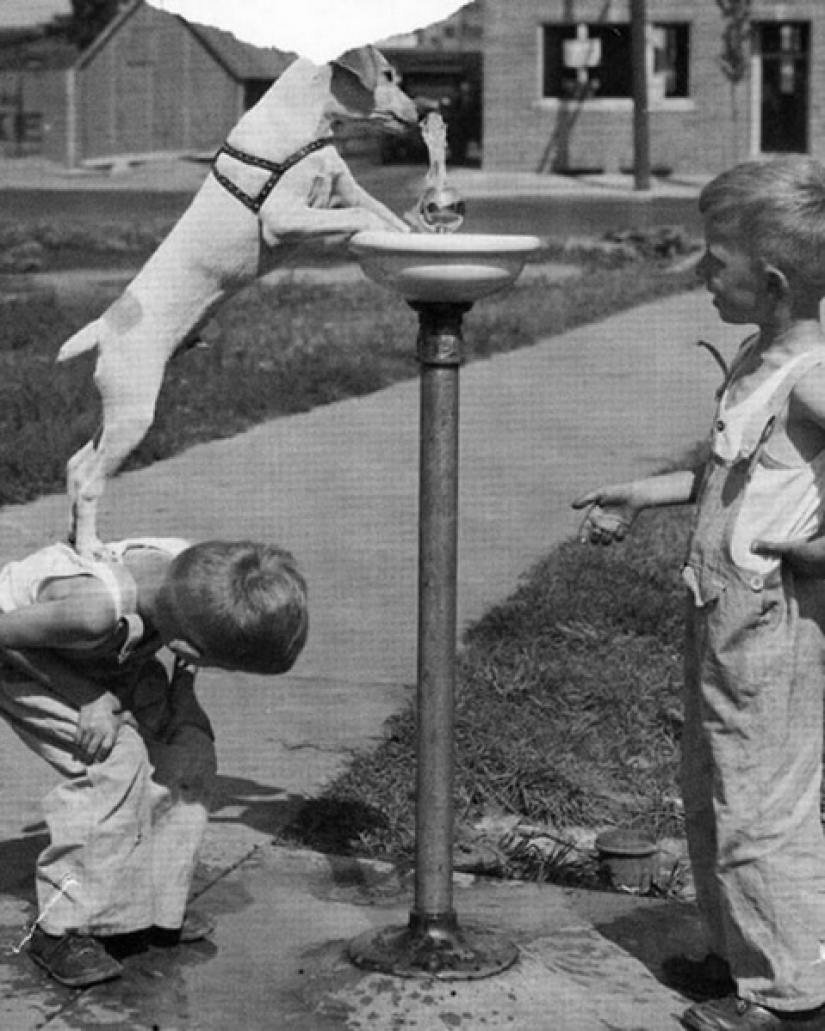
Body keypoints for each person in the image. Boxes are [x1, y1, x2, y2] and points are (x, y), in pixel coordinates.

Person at [573, 156, 825, 1031]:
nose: (698, 274)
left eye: (714, 261)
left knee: (762, 805)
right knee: (713, 786)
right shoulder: (761, 355)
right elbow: (731, 472)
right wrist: (646, 492)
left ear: (775, 281)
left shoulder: (812, 374)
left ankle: (790, 999)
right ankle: (734, 955)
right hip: (719, 611)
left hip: (770, 618)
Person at [0, 536, 308, 989]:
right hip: (25, 659)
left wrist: (184, 705)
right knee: (114, 761)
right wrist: (89, 697)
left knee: (190, 749)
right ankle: (61, 928)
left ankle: (154, 908)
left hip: (109, 657)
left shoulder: (198, 583)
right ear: (186, 646)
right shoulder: (92, 609)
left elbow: (184, 666)